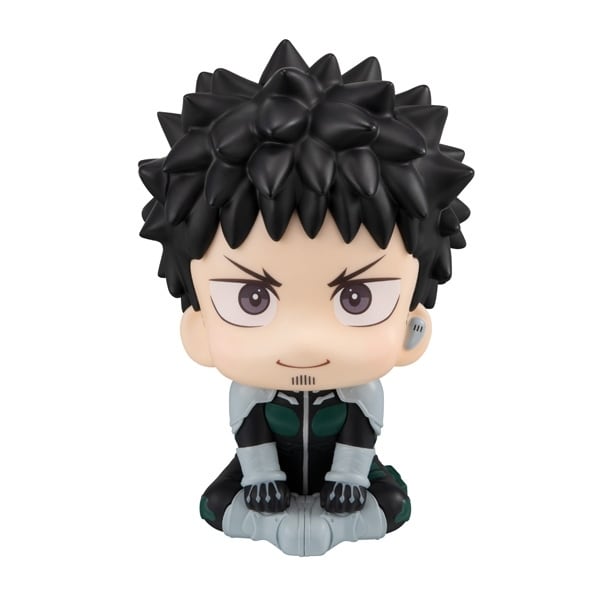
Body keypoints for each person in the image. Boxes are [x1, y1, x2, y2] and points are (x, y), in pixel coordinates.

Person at [139, 39, 473, 556]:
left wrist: (349, 478)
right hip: (264, 473)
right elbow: (250, 436)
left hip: (347, 474)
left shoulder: (361, 394)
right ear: (198, 327)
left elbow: (360, 436)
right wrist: (260, 477)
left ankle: (336, 517)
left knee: (392, 502)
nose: (304, 342)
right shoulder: (250, 394)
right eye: (252, 299)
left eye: (357, 298)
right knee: (216, 503)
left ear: (414, 323)